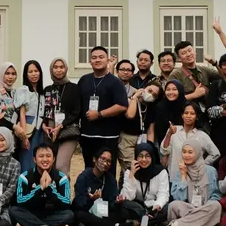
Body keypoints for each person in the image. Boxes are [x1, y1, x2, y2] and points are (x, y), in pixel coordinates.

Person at [77, 46, 129, 178]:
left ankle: (108, 197)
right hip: (87, 135)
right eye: (94, 57)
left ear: (107, 60)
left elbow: (122, 105)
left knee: (108, 170)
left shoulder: (115, 82)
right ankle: (89, 197)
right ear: (90, 61)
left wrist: (99, 114)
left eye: (101, 57)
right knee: (89, 169)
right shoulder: (84, 80)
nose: (97, 60)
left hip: (108, 137)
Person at [12, 144, 74, 226]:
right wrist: (39, 189)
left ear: (53, 159)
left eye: (48, 156)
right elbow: (20, 201)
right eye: (41, 156)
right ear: (34, 159)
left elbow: (67, 203)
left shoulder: (61, 178)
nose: (45, 159)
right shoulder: (24, 177)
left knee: (69, 215)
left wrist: (50, 189)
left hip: (52, 213)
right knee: (14, 210)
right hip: (31, 212)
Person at [73, 147, 138, 226]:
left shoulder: (111, 180)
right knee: (79, 215)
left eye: (108, 161)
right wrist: (91, 199)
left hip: (103, 213)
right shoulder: (84, 177)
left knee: (122, 212)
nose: (105, 163)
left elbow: (111, 204)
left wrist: (117, 202)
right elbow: (78, 203)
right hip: (87, 211)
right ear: (94, 159)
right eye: (103, 159)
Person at [167, 142, 222, 226]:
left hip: (205, 207)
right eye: (184, 152)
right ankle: (202, 224)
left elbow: (216, 195)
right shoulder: (180, 171)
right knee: (173, 206)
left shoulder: (211, 171)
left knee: (216, 206)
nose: (186, 155)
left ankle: (179, 224)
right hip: (188, 208)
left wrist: (203, 207)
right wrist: (183, 176)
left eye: (190, 152)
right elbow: (179, 198)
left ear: (198, 153)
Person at [40, 57, 80, 173]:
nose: (58, 70)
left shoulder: (74, 88)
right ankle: (54, 190)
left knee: (61, 166)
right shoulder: (47, 89)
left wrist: (61, 126)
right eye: (55, 67)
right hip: (50, 130)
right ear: (51, 70)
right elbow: (44, 111)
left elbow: (77, 111)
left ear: (66, 69)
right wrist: (43, 125)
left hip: (68, 129)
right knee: (49, 166)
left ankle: (64, 190)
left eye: (61, 67)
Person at [118, 142, 170, 226]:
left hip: (154, 207)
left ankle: (145, 219)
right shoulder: (130, 171)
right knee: (123, 205)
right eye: (140, 156)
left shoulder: (161, 172)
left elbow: (163, 194)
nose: (144, 160)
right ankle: (149, 219)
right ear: (136, 157)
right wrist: (131, 175)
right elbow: (128, 197)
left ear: (152, 157)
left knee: (168, 207)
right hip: (137, 207)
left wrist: (158, 205)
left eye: (147, 156)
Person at [160, 102, 220, 174]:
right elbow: (164, 151)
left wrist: (202, 165)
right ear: (182, 115)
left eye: (192, 113)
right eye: (186, 113)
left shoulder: (202, 135)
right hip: (174, 177)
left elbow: (216, 153)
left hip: (194, 178)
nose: (188, 116)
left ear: (197, 117)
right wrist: (169, 134)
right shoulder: (174, 130)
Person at [115, 59, 146, 173]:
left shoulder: (136, 92)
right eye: (122, 69)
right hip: (115, 133)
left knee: (131, 168)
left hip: (132, 135)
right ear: (117, 71)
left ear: (133, 73)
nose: (125, 72)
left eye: (128, 70)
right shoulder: (111, 88)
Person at [18, 59, 44, 173]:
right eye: (30, 71)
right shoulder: (24, 90)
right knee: (27, 159)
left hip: (39, 129)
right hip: (28, 127)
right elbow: (22, 113)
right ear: (26, 74)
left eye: (36, 71)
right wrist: (24, 136)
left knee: (39, 159)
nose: (34, 74)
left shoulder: (41, 92)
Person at [151, 79, 187, 147]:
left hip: (185, 145)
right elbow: (159, 131)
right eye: (168, 89)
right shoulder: (160, 107)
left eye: (174, 89)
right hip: (165, 144)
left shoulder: (187, 106)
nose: (171, 92)